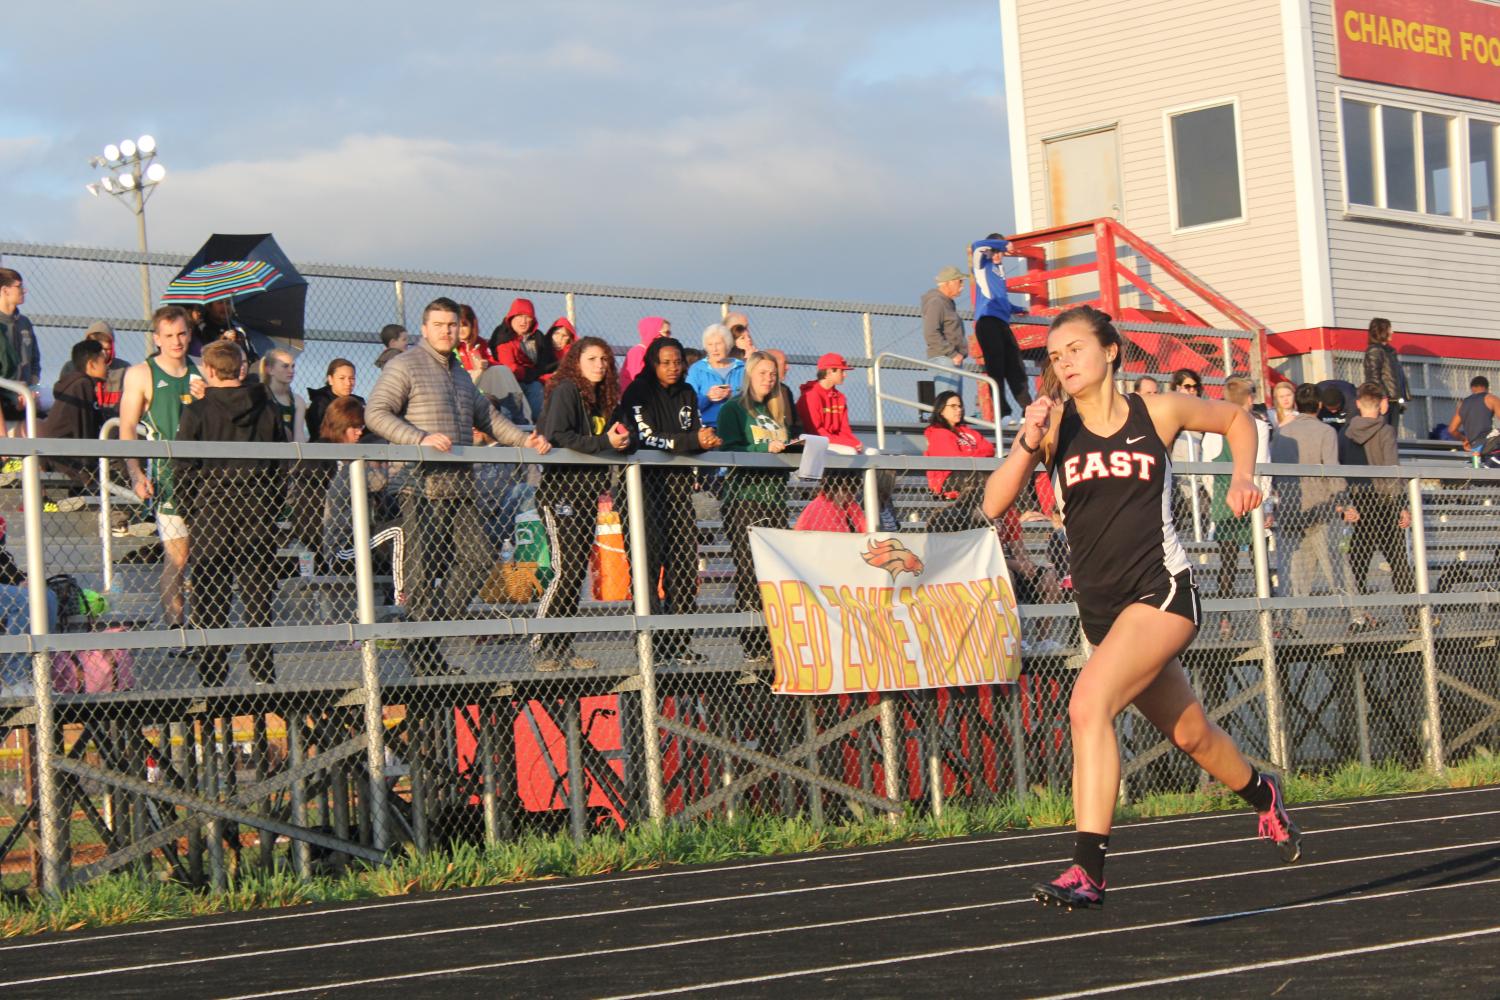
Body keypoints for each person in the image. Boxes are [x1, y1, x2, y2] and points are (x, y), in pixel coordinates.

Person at [979, 305, 1299, 910]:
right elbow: (995, 504)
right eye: (1054, 355)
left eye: (1074, 348)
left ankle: (1088, 869)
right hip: (1104, 614)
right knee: (1192, 734)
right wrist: (1026, 439)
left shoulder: (1157, 411)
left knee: (1086, 704)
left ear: (1111, 352)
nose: (1064, 361)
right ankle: (1264, 794)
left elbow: (1237, 419)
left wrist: (1242, 476)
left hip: (1163, 593)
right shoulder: (1053, 427)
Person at [366, 297, 550, 676]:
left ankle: (426, 638)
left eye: (452, 324)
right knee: (421, 572)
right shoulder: (405, 364)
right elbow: (376, 413)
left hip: (460, 485)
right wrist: (419, 438)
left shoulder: (462, 372)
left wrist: (524, 440)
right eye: (438, 324)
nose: (447, 331)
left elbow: (488, 416)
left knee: (479, 559)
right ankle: (423, 657)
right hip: (418, 485)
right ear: (424, 328)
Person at [172, 341, 285, 686]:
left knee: (211, 596)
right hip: (256, 506)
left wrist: (189, 509)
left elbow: (183, 466)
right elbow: (280, 465)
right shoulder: (267, 408)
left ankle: (212, 674)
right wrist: (272, 505)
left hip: (212, 508)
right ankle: (263, 672)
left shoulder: (198, 410)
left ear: (207, 370)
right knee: (258, 596)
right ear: (240, 369)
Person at [614, 336, 720, 665]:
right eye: (666, 362)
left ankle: (678, 642)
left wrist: (706, 440)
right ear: (652, 363)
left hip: (676, 488)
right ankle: (651, 645)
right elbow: (647, 438)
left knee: (684, 567)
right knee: (648, 565)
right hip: (640, 488)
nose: (674, 368)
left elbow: (692, 432)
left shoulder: (688, 392)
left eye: (678, 362)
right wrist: (691, 440)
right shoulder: (637, 391)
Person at [534, 337, 630, 671]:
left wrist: (621, 440)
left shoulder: (602, 398)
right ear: (577, 361)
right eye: (592, 359)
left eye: (605, 359)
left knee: (576, 572)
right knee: (565, 569)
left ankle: (563, 645)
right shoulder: (566, 391)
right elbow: (559, 435)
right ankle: (541, 644)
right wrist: (605, 441)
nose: (600, 365)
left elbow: (609, 438)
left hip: (587, 493)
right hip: (560, 492)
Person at [119, 306, 204, 632]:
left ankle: (203, 624)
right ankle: (176, 627)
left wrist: (208, 398)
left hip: (203, 474)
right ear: (157, 338)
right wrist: (136, 474)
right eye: (168, 335)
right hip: (168, 474)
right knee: (179, 557)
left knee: (205, 556)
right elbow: (127, 427)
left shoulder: (202, 372)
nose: (176, 341)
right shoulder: (141, 373)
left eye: (182, 333)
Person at [716, 351, 798, 664]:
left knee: (776, 574)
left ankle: (776, 639)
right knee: (751, 570)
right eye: (763, 372)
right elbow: (728, 448)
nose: (769, 378)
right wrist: (763, 448)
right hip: (744, 498)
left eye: (773, 373)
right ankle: (753, 643)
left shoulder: (778, 410)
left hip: (775, 498)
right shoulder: (734, 408)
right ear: (750, 374)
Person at [1270, 383, 1367, 635]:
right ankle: (1355, 616)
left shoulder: (1281, 433)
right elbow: (1332, 469)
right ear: (1320, 405)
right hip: (1322, 508)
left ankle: (1291, 624)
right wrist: (1345, 503)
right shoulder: (1325, 431)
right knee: (1336, 566)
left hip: (1291, 509)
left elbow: (1275, 475)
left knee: (1294, 572)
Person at [1203, 376, 1271, 638]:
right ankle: (1267, 620)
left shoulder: (1213, 428)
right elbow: (1262, 469)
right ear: (1250, 398)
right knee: (1258, 563)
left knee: (1228, 564)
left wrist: (1219, 496)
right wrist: (1265, 505)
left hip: (1225, 502)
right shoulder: (1258, 426)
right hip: (1252, 502)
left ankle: (1225, 620)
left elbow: (1208, 473)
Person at [1345, 383, 1416, 618]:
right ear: (1381, 404)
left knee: (1358, 559)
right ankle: (1413, 615)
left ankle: (1359, 614)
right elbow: (1391, 468)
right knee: (1398, 559)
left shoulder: (1346, 432)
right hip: (1384, 500)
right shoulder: (1385, 431)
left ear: (1358, 404)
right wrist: (1401, 506)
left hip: (1358, 499)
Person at [40, 339, 110, 508]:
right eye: (103, 362)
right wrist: (88, 469)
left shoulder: (81, 384)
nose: (107, 367)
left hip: (63, 454)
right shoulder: (82, 385)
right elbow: (83, 428)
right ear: (92, 364)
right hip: (62, 456)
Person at [971, 234, 1031, 423]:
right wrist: (1004, 244)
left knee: (1016, 365)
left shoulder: (999, 269)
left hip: (1002, 322)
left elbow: (1001, 298)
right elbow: (977, 244)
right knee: (996, 367)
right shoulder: (982, 264)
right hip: (987, 321)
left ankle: (1026, 409)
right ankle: (1003, 413)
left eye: (1001, 253)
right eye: (996, 251)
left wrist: (1017, 309)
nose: (998, 255)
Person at [487, 297, 554, 420]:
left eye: (528, 317)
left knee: (536, 388)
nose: (523, 321)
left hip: (532, 381)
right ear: (511, 317)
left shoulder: (538, 338)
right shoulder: (503, 335)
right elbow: (510, 368)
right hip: (510, 381)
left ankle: (538, 427)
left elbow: (545, 365)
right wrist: (531, 373)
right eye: (519, 316)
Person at [923, 390, 996, 499]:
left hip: (974, 473)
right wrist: (977, 454)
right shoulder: (938, 432)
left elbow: (989, 449)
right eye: (953, 406)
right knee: (990, 479)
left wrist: (969, 455)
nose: (959, 410)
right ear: (941, 409)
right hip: (949, 479)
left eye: (960, 406)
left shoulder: (969, 432)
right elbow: (956, 460)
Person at [59, 322, 130, 419]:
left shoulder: (124, 370)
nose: (104, 354)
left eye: (107, 349)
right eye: (99, 350)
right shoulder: (72, 368)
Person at [796, 352, 864, 454]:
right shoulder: (811, 395)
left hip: (832, 441)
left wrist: (854, 442)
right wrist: (848, 443)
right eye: (842, 371)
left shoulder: (840, 397)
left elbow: (844, 429)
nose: (845, 375)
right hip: (814, 442)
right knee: (850, 451)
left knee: (871, 452)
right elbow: (815, 431)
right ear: (828, 372)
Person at [922, 265, 968, 407]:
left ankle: (951, 427)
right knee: (948, 403)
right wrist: (952, 353)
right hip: (945, 358)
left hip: (949, 358)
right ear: (948, 283)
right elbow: (931, 332)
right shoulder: (937, 302)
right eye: (959, 281)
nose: (962, 286)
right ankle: (943, 427)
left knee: (953, 401)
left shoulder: (946, 302)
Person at [686, 323, 746, 427]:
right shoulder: (697, 370)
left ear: (727, 344)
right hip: (708, 427)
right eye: (710, 345)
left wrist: (732, 396)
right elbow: (687, 404)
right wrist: (708, 397)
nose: (714, 349)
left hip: (738, 425)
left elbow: (752, 400)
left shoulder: (742, 368)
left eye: (718, 344)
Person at [0, 268, 37, 426]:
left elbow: (35, 361)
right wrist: (16, 392)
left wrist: (31, 387)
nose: (24, 291)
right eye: (19, 286)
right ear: (5, 290)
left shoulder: (25, 323)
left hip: (25, 393)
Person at [1363, 318, 1409, 431]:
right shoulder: (1374, 351)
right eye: (1389, 329)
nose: (1392, 332)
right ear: (1381, 331)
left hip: (1393, 401)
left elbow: (1396, 377)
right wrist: (1382, 398)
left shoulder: (1390, 351)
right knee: (1383, 433)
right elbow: (1373, 378)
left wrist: (1402, 397)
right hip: (1384, 401)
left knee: (1391, 436)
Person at [306, 359, 362, 443]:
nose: (348, 383)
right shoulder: (320, 404)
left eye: (352, 378)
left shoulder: (358, 402)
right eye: (342, 378)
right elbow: (318, 433)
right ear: (330, 379)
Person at [259, 348, 308, 443]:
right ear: (270, 370)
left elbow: (299, 435)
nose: (291, 371)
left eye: (293, 366)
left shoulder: (297, 401)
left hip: (288, 453)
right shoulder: (260, 396)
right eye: (285, 366)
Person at [1449, 376, 1500, 456]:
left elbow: (1452, 430)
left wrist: (1465, 440)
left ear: (1472, 388)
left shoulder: (1462, 404)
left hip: (1474, 447)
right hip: (1488, 444)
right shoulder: (1491, 398)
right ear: (1487, 388)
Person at [794, 474, 866, 532]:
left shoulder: (852, 507)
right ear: (833, 489)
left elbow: (866, 529)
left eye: (854, 489)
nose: (851, 494)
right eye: (845, 489)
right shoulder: (818, 508)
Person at [619, 316, 671, 392]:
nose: (669, 337)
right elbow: (640, 381)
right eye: (666, 333)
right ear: (654, 333)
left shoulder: (654, 353)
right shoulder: (637, 352)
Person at [455, 304, 493, 376]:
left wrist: (487, 363)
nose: (460, 330)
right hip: (460, 380)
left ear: (472, 325)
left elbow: (492, 360)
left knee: (500, 369)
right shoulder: (452, 345)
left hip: (480, 379)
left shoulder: (480, 343)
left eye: (464, 326)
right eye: (457, 326)